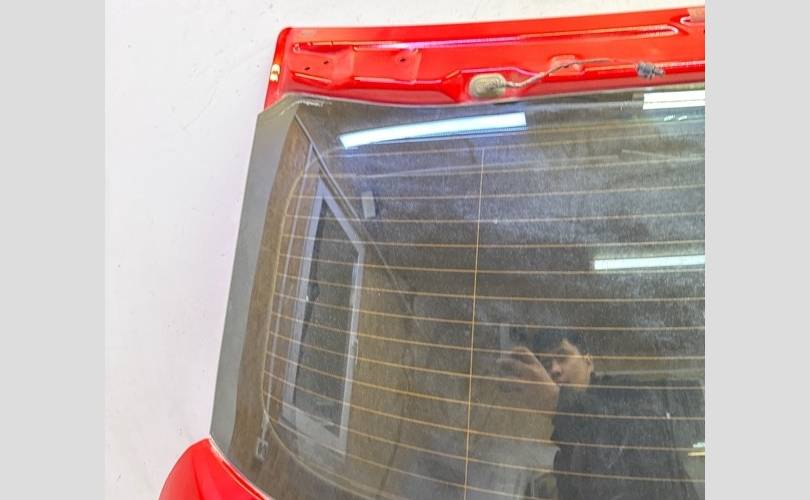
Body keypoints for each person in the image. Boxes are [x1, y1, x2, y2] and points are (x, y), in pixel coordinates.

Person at [497, 330, 703, 500]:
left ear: (589, 361)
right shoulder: (565, 451)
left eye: (562, 356)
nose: (554, 370)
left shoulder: (628, 395)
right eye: (546, 364)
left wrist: (558, 401)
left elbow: (639, 457)